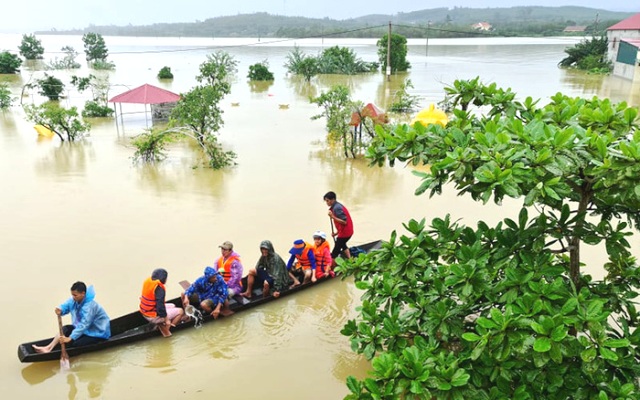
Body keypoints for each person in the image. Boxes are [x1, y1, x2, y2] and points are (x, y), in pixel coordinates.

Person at [33, 281, 111, 354]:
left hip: (97, 332)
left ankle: (95, 342)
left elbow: (84, 324)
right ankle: (48, 348)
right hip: (85, 329)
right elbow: (67, 305)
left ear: (83, 294)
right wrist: (60, 309)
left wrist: (70, 338)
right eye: (72, 295)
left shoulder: (90, 306)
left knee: (75, 343)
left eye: (75, 295)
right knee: (65, 329)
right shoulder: (75, 299)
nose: (73, 297)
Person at [139, 268, 185, 337]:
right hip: (153, 315)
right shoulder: (159, 288)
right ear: (164, 279)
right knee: (181, 311)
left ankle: (162, 323)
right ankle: (168, 329)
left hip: (144, 311)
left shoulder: (148, 281)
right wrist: (166, 320)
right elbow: (160, 307)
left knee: (173, 305)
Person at [324, 191, 354, 263]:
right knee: (343, 245)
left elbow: (344, 222)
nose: (327, 203)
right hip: (347, 231)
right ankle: (350, 259)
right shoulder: (336, 206)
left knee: (335, 252)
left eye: (327, 201)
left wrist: (332, 217)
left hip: (345, 233)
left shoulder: (336, 208)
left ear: (333, 199)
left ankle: (332, 268)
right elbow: (341, 224)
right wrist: (336, 233)